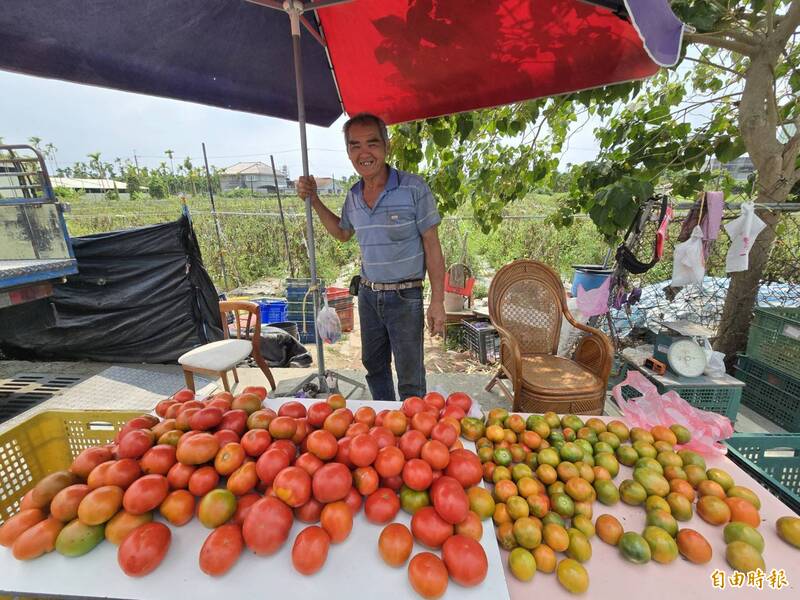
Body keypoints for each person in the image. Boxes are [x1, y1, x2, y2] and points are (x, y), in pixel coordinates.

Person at [297, 113, 445, 401]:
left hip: (406, 297)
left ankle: (411, 435)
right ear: (349, 152)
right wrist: (314, 200)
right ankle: (385, 426)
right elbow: (342, 233)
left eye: (372, 143)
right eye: (355, 146)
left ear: (386, 145)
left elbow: (433, 246)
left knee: (411, 376)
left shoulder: (414, 188)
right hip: (368, 295)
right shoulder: (353, 195)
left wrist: (437, 301)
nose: (364, 153)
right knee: (374, 367)